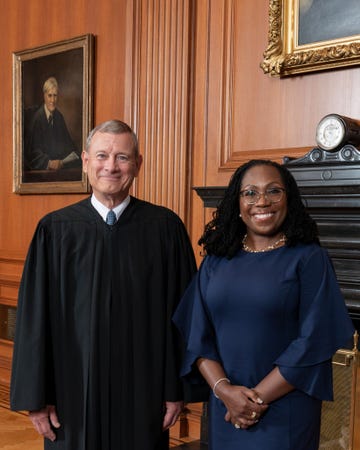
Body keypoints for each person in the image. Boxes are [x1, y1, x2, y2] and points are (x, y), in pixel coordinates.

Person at [10, 119, 197, 450]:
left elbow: (184, 318)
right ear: (85, 161)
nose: (111, 166)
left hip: (145, 391)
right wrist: (36, 397)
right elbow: (33, 321)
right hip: (69, 393)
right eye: (101, 156)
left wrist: (176, 389)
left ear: (138, 165)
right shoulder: (54, 231)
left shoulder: (165, 229)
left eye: (122, 157)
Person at [173, 159, 355, 450]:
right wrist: (225, 392)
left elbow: (314, 340)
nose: (262, 201)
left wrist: (253, 399)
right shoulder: (216, 262)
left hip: (284, 407)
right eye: (250, 193)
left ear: (288, 199)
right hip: (225, 406)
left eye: (274, 191)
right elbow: (197, 334)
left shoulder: (309, 259)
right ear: (237, 201)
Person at [25, 76, 80, 170]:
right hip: (42, 172)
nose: (53, 100)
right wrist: (49, 163)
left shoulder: (59, 117)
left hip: (59, 169)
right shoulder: (37, 118)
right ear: (44, 96)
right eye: (50, 95)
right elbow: (33, 152)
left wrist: (73, 154)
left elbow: (67, 145)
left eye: (55, 95)